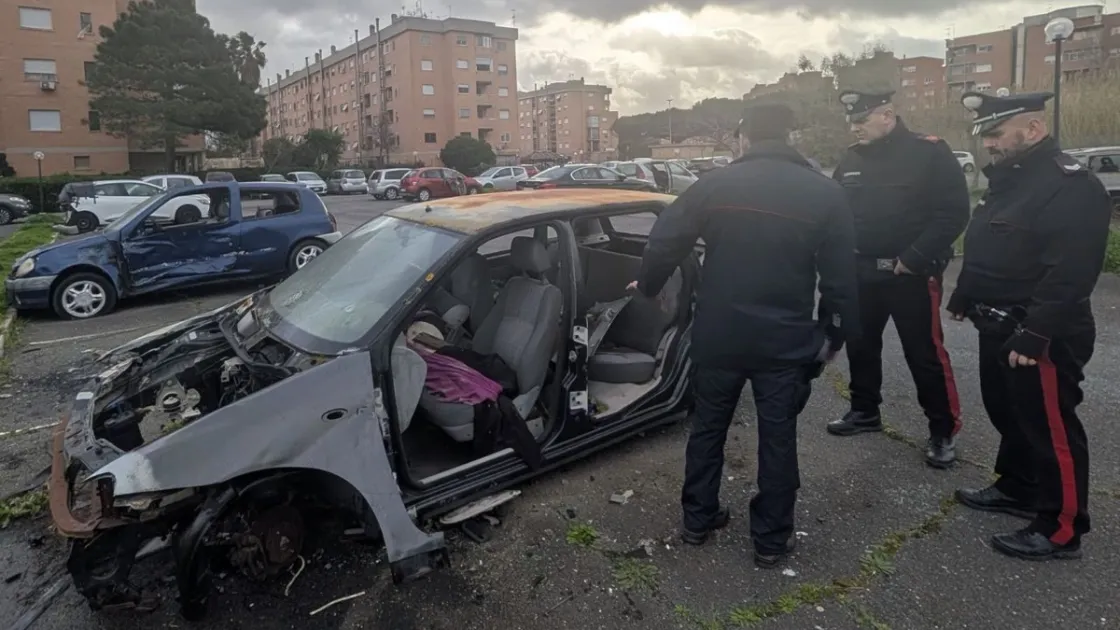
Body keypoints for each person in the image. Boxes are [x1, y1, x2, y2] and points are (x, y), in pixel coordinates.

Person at [625, 103, 860, 567]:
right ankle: (771, 541)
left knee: (708, 429)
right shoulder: (825, 194)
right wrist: (833, 335)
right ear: (790, 138)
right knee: (778, 440)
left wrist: (649, 287)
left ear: (744, 138)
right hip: (785, 343)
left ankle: (698, 519)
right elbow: (840, 279)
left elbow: (664, 241)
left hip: (719, 336)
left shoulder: (713, 186)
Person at [948, 90, 1111, 561]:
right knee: (1009, 412)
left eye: (997, 134)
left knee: (1050, 427)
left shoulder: (1069, 185)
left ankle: (1062, 526)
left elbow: (1073, 271)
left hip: (1040, 330)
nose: (989, 146)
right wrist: (965, 292)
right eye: (985, 137)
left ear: (1033, 129)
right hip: (998, 323)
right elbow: (988, 240)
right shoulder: (1011, 179)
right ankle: (1019, 486)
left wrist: (1038, 332)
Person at [828, 89, 971, 469]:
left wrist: (915, 257)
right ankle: (864, 410)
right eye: (851, 122)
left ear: (887, 115)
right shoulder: (852, 157)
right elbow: (838, 209)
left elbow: (954, 213)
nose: (854, 128)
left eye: (861, 121)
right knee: (860, 345)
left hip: (909, 272)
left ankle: (942, 430)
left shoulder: (929, 152)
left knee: (924, 353)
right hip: (861, 269)